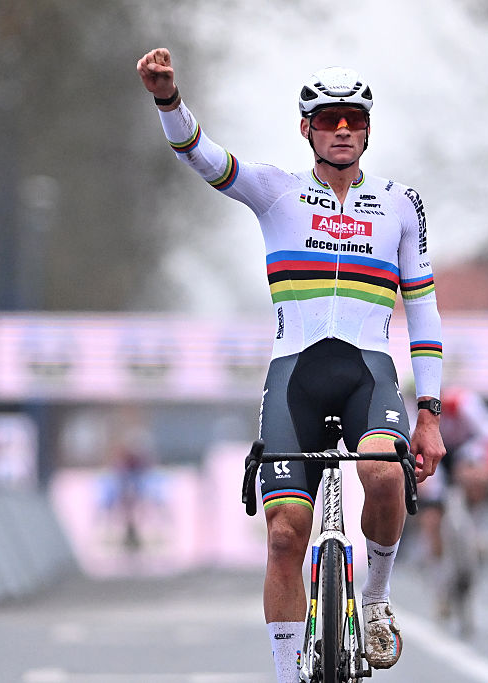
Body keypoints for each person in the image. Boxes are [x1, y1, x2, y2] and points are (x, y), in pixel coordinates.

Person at [137, 48, 445, 681]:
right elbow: (202, 156)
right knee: (284, 536)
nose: (342, 129)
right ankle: (285, 674)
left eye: (353, 120)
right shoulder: (276, 191)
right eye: (329, 119)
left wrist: (431, 413)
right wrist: (169, 99)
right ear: (306, 127)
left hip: (367, 372)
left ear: (366, 129)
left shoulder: (398, 203)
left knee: (386, 475)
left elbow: (424, 310)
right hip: (293, 378)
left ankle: (378, 602)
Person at [413, 386, 488, 631]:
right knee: (432, 519)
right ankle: (439, 585)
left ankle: (477, 527)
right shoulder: (408, 407)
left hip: (465, 454)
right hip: (434, 459)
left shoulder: (463, 402)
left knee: (474, 478)